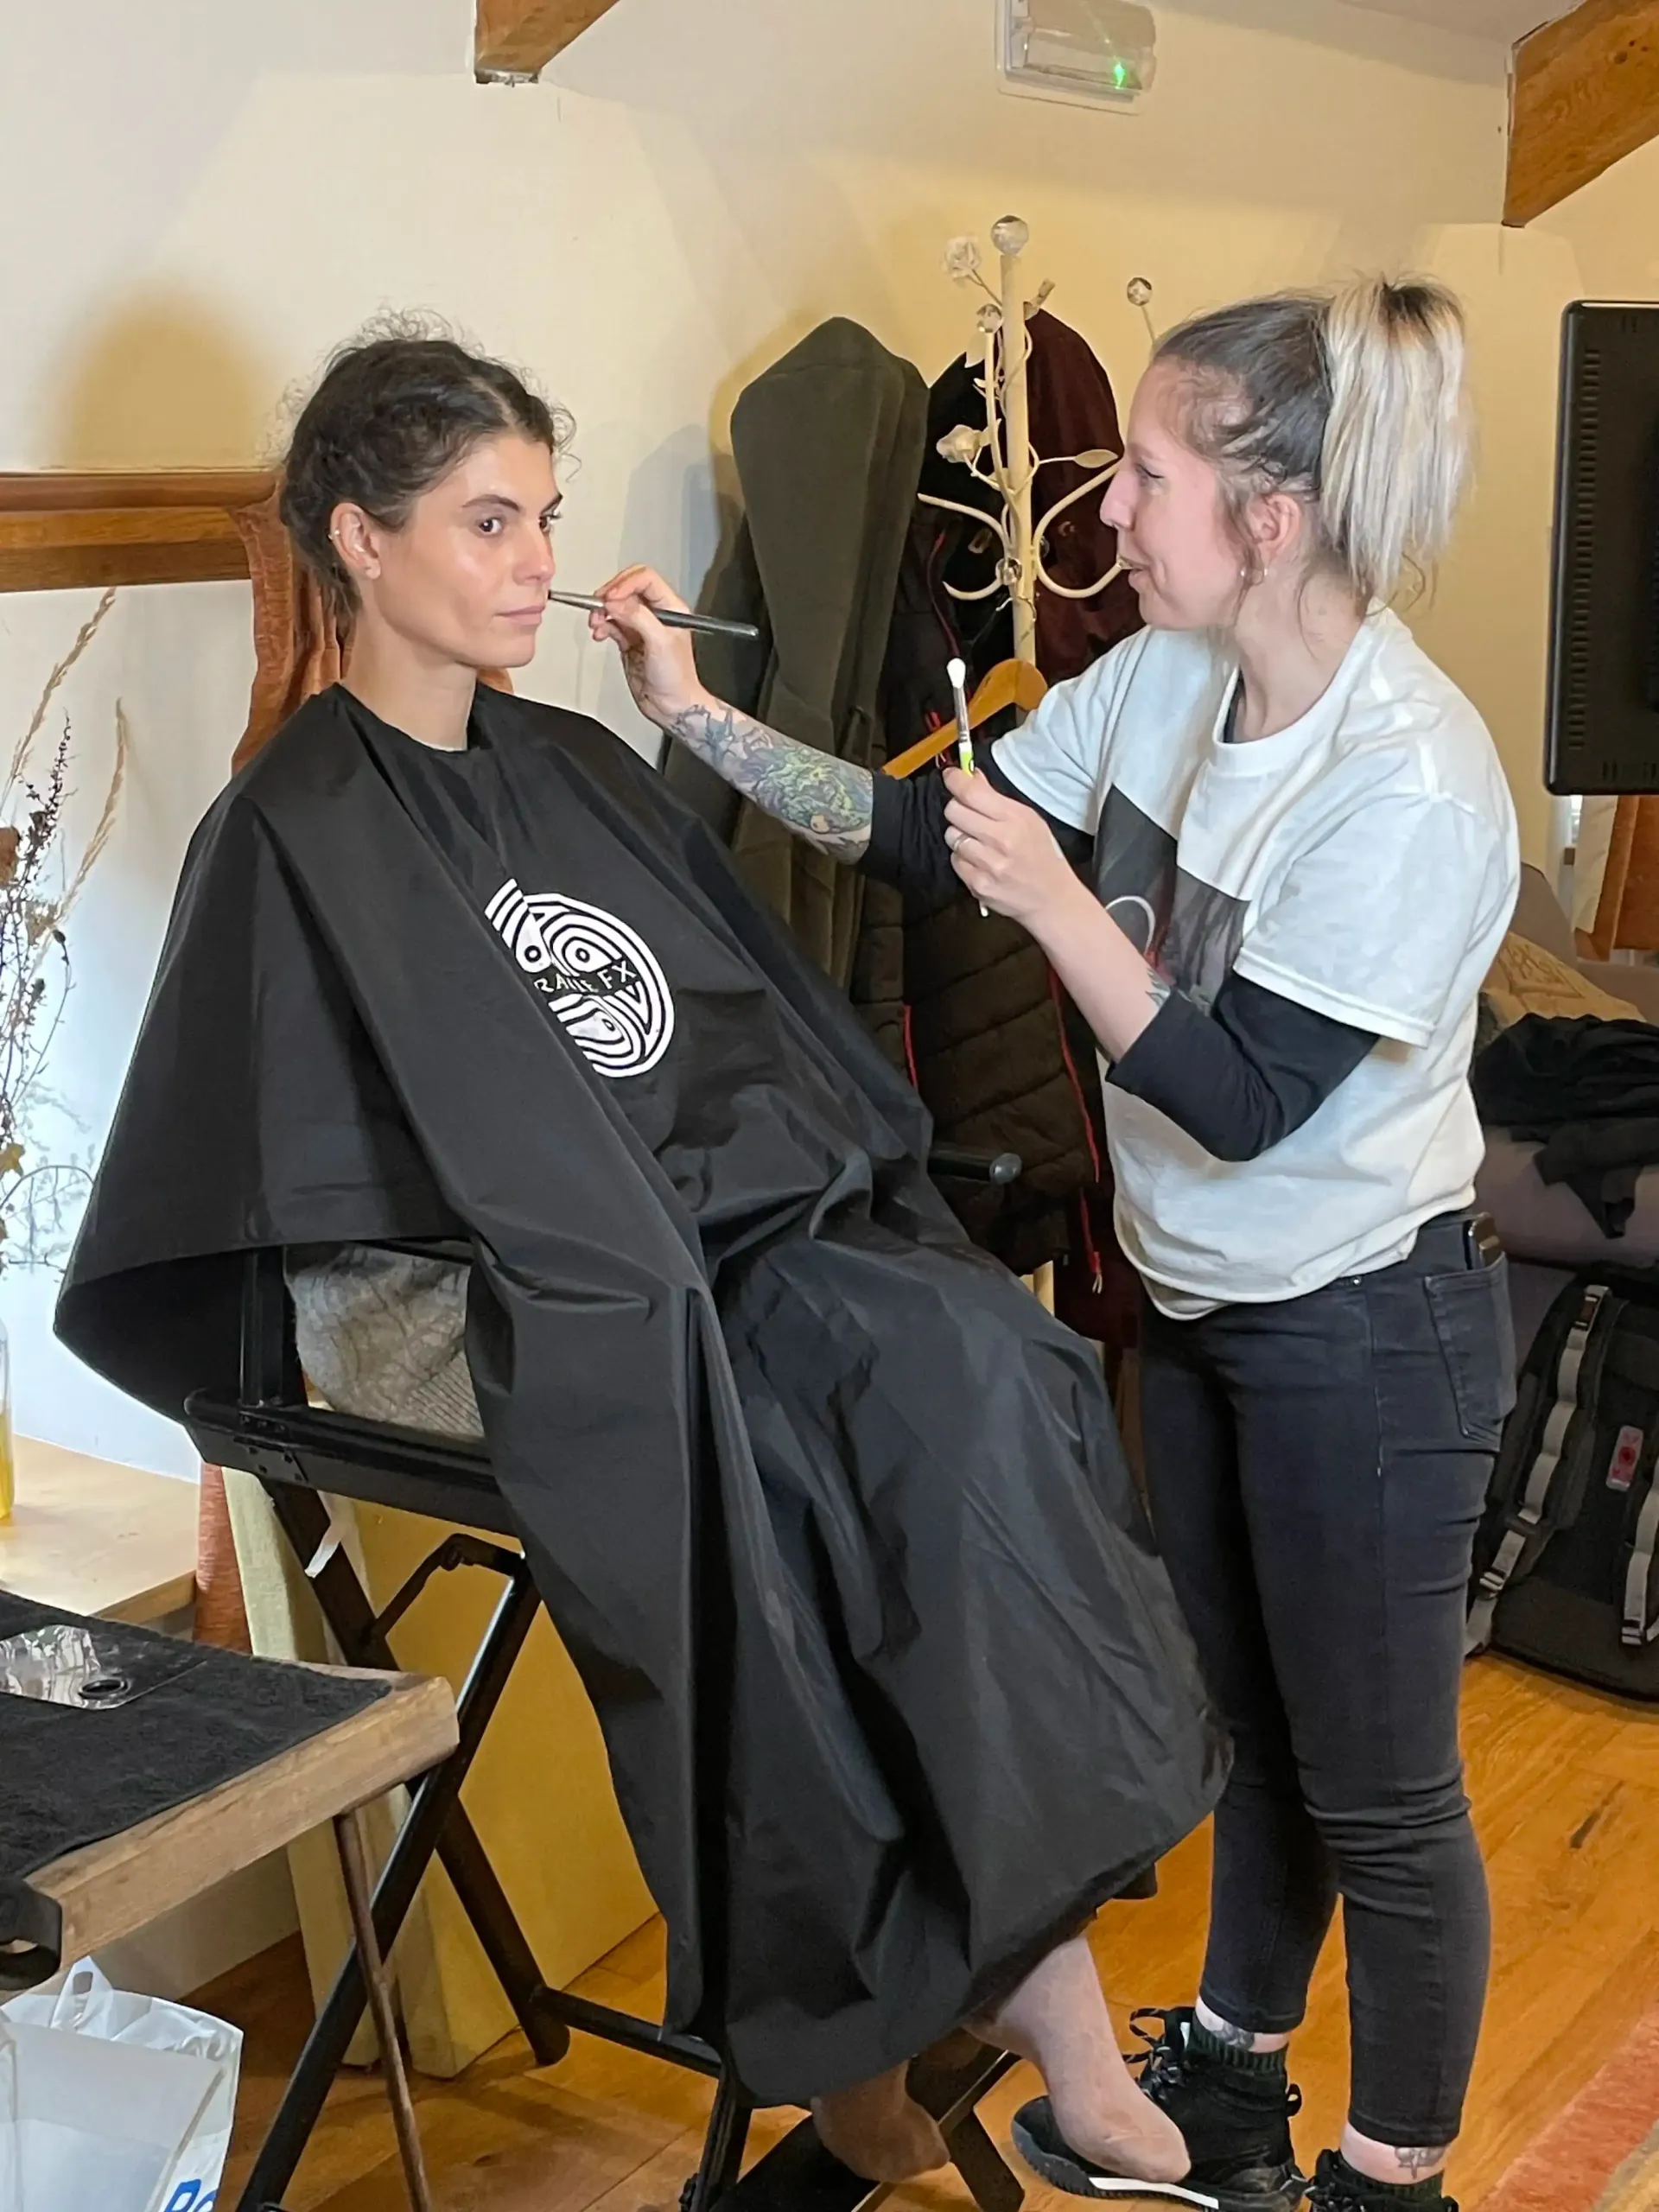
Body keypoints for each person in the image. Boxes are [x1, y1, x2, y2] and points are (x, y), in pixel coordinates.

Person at [54, 329, 1226, 2190]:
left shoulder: (574, 759)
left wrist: (750, 1188)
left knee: (975, 1366)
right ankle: (915, 2031)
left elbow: (718, 1031)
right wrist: (616, 1245)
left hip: (704, 1235)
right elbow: (317, 1165)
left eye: (544, 516)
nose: (537, 561)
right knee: (777, 1459)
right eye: (489, 519)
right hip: (510, 1300)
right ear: (360, 540)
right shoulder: (291, 828)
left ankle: (1022, 2004)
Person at [593, 276, 1519, 2212]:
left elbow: (1242, 1089)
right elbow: (924, 831)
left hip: (1369, 1328)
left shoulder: (1410, 780)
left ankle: (1393, 2176)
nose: (1103, 517)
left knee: (1389, 1793)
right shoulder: (1173, 675)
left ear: (1269, 519)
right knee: (1252, 1738)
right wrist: (698, 717)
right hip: (1203, 1304)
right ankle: (1242, 2086)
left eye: (1146, 479)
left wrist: (1060, 907)